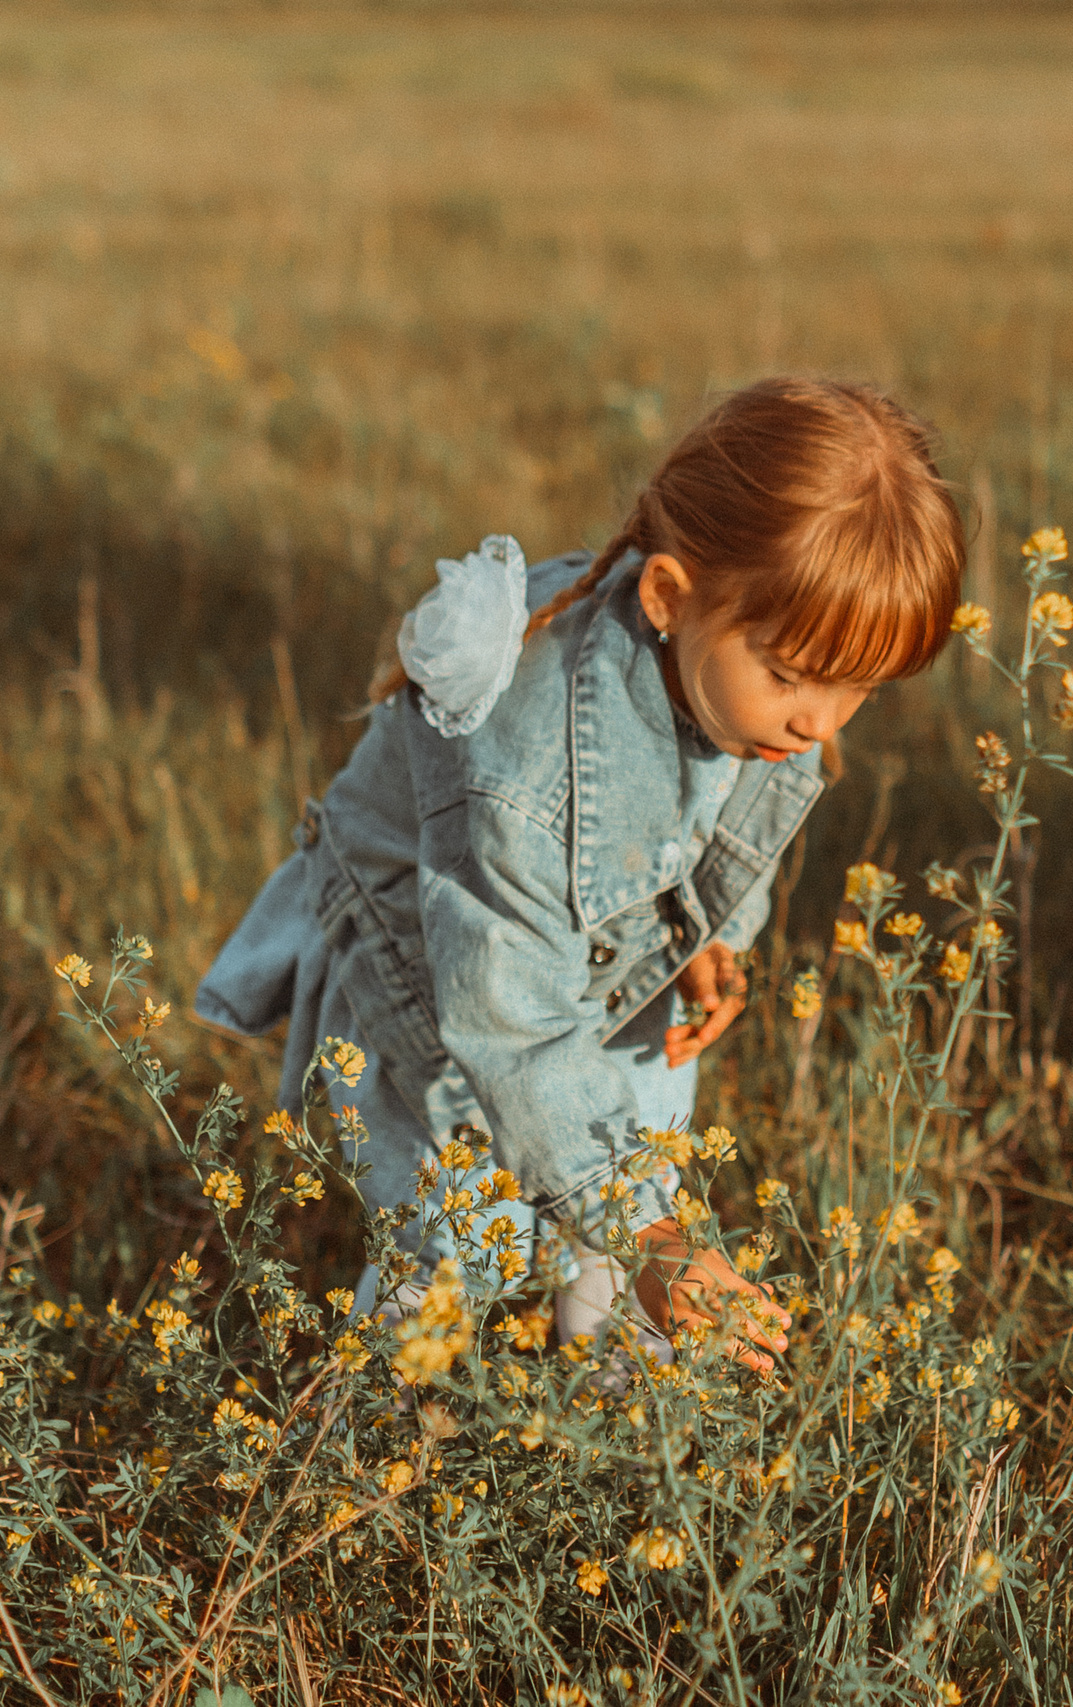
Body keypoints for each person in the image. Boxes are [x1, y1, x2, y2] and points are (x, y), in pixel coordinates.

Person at [194, 377, 964, 1369]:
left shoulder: (745, 689)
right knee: (462, 1203)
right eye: (790, 675)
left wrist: (714, 943)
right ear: (670, 598)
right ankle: (380, 1427)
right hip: (433, 956)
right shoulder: (527, 771)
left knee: (642, 1120)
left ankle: (615, 1386)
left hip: (580, 935)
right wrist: (652, 1236)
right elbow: (503, 1012)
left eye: (856, 685)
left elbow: (724, 836)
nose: (820, 720)